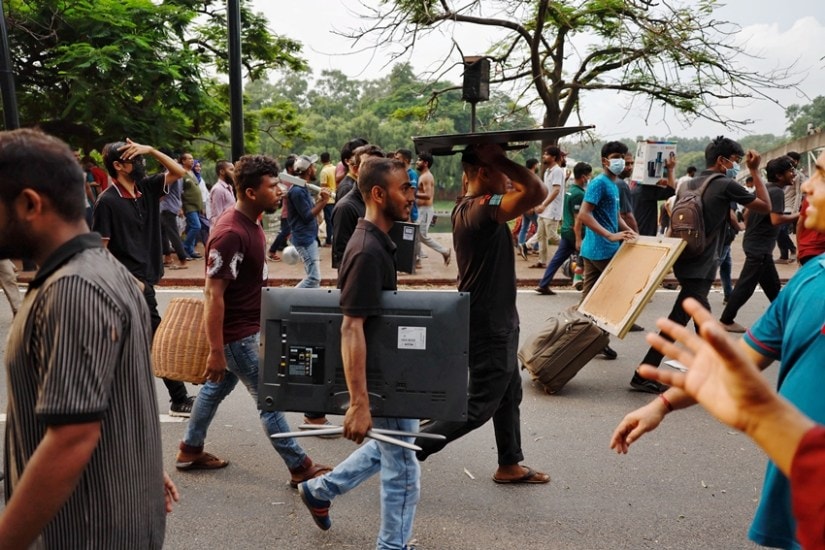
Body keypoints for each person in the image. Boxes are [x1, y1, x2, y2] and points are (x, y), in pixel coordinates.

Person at [610, 145, 825, 550]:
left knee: (690, 311)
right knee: (693, 312)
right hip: (797, 496)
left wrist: (764, 419)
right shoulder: (809, 278)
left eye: (822, 177)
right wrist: (663, 405)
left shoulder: (695, 181)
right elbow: (739, 365)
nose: (807, 186)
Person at [0, 128, 178, 548]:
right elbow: (116, 398)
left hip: (85, 531)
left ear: (29, 203)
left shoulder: (75, 287)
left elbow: (71, 438)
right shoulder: (106, 272)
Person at [175, 154, 331, 486]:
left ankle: (190, 448)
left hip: (247, 329)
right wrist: (216, 351)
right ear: (249, 192)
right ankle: (299, 466)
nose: (280, 192)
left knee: (214, 391)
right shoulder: (230, 233)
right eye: (272, 186)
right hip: (237, 336)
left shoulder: (252, 222)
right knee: (269, 398)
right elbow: (213, 294)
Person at [628, 298, 825, 550]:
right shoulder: (806, 283)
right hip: (803, 480)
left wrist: (763, 418)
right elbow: (733, 370)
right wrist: (663, 404)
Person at [297, 156, 420, 549]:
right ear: (379, 194)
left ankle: (320, 490)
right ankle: (392, 545)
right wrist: (359, 403)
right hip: (377, 380)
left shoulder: (380, 241)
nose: (411, 196)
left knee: (392, 446)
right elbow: (351, 327)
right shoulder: (366, 251)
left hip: (388, 373)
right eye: (404, 188)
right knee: (403, 470)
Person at [414, 143, 550, 485]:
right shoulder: (480, 209)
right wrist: (499, 157)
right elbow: (536, 191)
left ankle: (510, 463)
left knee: (508, 395)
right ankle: (403, 450)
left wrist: (497, 160)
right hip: (490, 324)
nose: (510, 175)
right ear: (486, 171)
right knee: (478, 406)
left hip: (495, 319)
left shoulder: (471, 207)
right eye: (504, 168)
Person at [630, 137, 772, 394]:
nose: (736, 166)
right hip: (703, 265)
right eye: (736, 161)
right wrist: (754, 170)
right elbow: (765, 206)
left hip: (685, 259)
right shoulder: (725, 184)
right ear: (722, 161)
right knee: (690, 320)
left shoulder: (687, 184)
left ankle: (703, 370)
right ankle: (646, 373)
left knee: (694, 319)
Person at [93, 138, 195, 416]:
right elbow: (100, 252)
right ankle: (179, 397)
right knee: (156, 336)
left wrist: (151, 149)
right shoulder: (107, 202)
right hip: (131, 283)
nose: (140, 163)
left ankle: (102, 398)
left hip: (146, 278)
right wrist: (130, 281)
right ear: (117, 165)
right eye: (134, 159)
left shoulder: (146, 189)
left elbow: (179, 172)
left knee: (126, 341)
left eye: (140, 157)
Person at [719, 156, 798, 333]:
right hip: (759, 247)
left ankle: (785, 321)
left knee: (773, 287)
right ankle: (726, 320)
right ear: (779, 175)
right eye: (790, 171)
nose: (793, 174)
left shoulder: (763, 189)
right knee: (746, 286)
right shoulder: (776, 191)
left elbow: (747, 214)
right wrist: (799, 215)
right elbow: (776, 219)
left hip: (755, 244)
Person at [577, 141, 639, 359]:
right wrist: (611, 235)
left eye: (623, 156)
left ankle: (584, 339)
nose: (620, 160)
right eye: (616, 156)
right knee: (608, 299)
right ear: (604, 161)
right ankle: (594, 339)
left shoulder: (614, 184)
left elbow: (616, 216)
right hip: (602, 250)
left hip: (598, 250)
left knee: (590, 301)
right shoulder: (599, 183)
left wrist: (630, 232)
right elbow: (584, 214)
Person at [535, 161, 591, 295]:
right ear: (583, 177)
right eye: (589, 176)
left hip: (567, 230)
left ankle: (544, 284)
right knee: (588, 259)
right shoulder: (579, 195)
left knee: (557, 259)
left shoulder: (570, 191)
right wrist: (578, 238)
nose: (589, 179)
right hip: (575, 232)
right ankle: (584, 283)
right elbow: (578, 217)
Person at [330, 144, 385, 269]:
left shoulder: (380, 201)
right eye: (368, 166)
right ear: (355, 170)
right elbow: (341, 255)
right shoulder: (346, 207)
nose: (375, 172)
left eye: (379, 167)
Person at [287, 154, 331, 287]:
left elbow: (308, 210)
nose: (315, 169)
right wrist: (324, 201)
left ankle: (312, 305)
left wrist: (320, 200)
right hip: (304, 239)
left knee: (314, 279)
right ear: (308, 169)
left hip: (308, 237)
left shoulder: (302, 187)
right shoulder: (297, 191)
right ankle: (288, 300)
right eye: (313, 166)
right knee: (314, 278)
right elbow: (307, 216)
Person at [528, 146, 566, 269]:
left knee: (552, 236)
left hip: (552, 209)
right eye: (544, 153)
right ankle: (542, 261)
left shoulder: (557, 171)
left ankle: (572, 247)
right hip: (544, 210)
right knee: (541, 236)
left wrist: (544, 205)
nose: (544, 156)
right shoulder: (547, 172)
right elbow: (546, 190)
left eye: (546, 154)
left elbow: (556, 190)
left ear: (553, 157)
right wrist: (540, 204)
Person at [415, 152, 451, 265]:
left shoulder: (426, 177)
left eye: (419, 160)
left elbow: (428, 195)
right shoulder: (423, 176)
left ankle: (444, 251)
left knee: (421, 236)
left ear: (425, 163)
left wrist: (413, 194)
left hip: (425, 210)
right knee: (415, 234)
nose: (417, 162)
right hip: (421, 210)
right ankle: (417, 258)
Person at [179, 152, 204, 259]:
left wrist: (201, 206)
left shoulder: (192, 172)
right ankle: (185, 247)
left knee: (190, 228)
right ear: (183, 161)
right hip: (189, 205)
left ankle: (190, 250)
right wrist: (180, 207)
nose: (192, 160)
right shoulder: (181, 173)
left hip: (196, 205)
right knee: (196, 226)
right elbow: (179, 191)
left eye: (192, 158)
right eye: (189, 159)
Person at [209, 159, 236, 226]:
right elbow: (217, 215)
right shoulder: (218, 189)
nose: (234, 173)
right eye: (231, 170)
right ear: (222, 171)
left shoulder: (229, 187)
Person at [319, 151, 337, 246]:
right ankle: (335, 238)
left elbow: (323, 187)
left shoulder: (324, 171)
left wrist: (320, 200)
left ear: (321, 160)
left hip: (328, 200)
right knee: (335, 221)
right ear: (330, 158)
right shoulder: (335, 169)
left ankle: (329, 241)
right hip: (336, 197)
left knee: (329, 221)